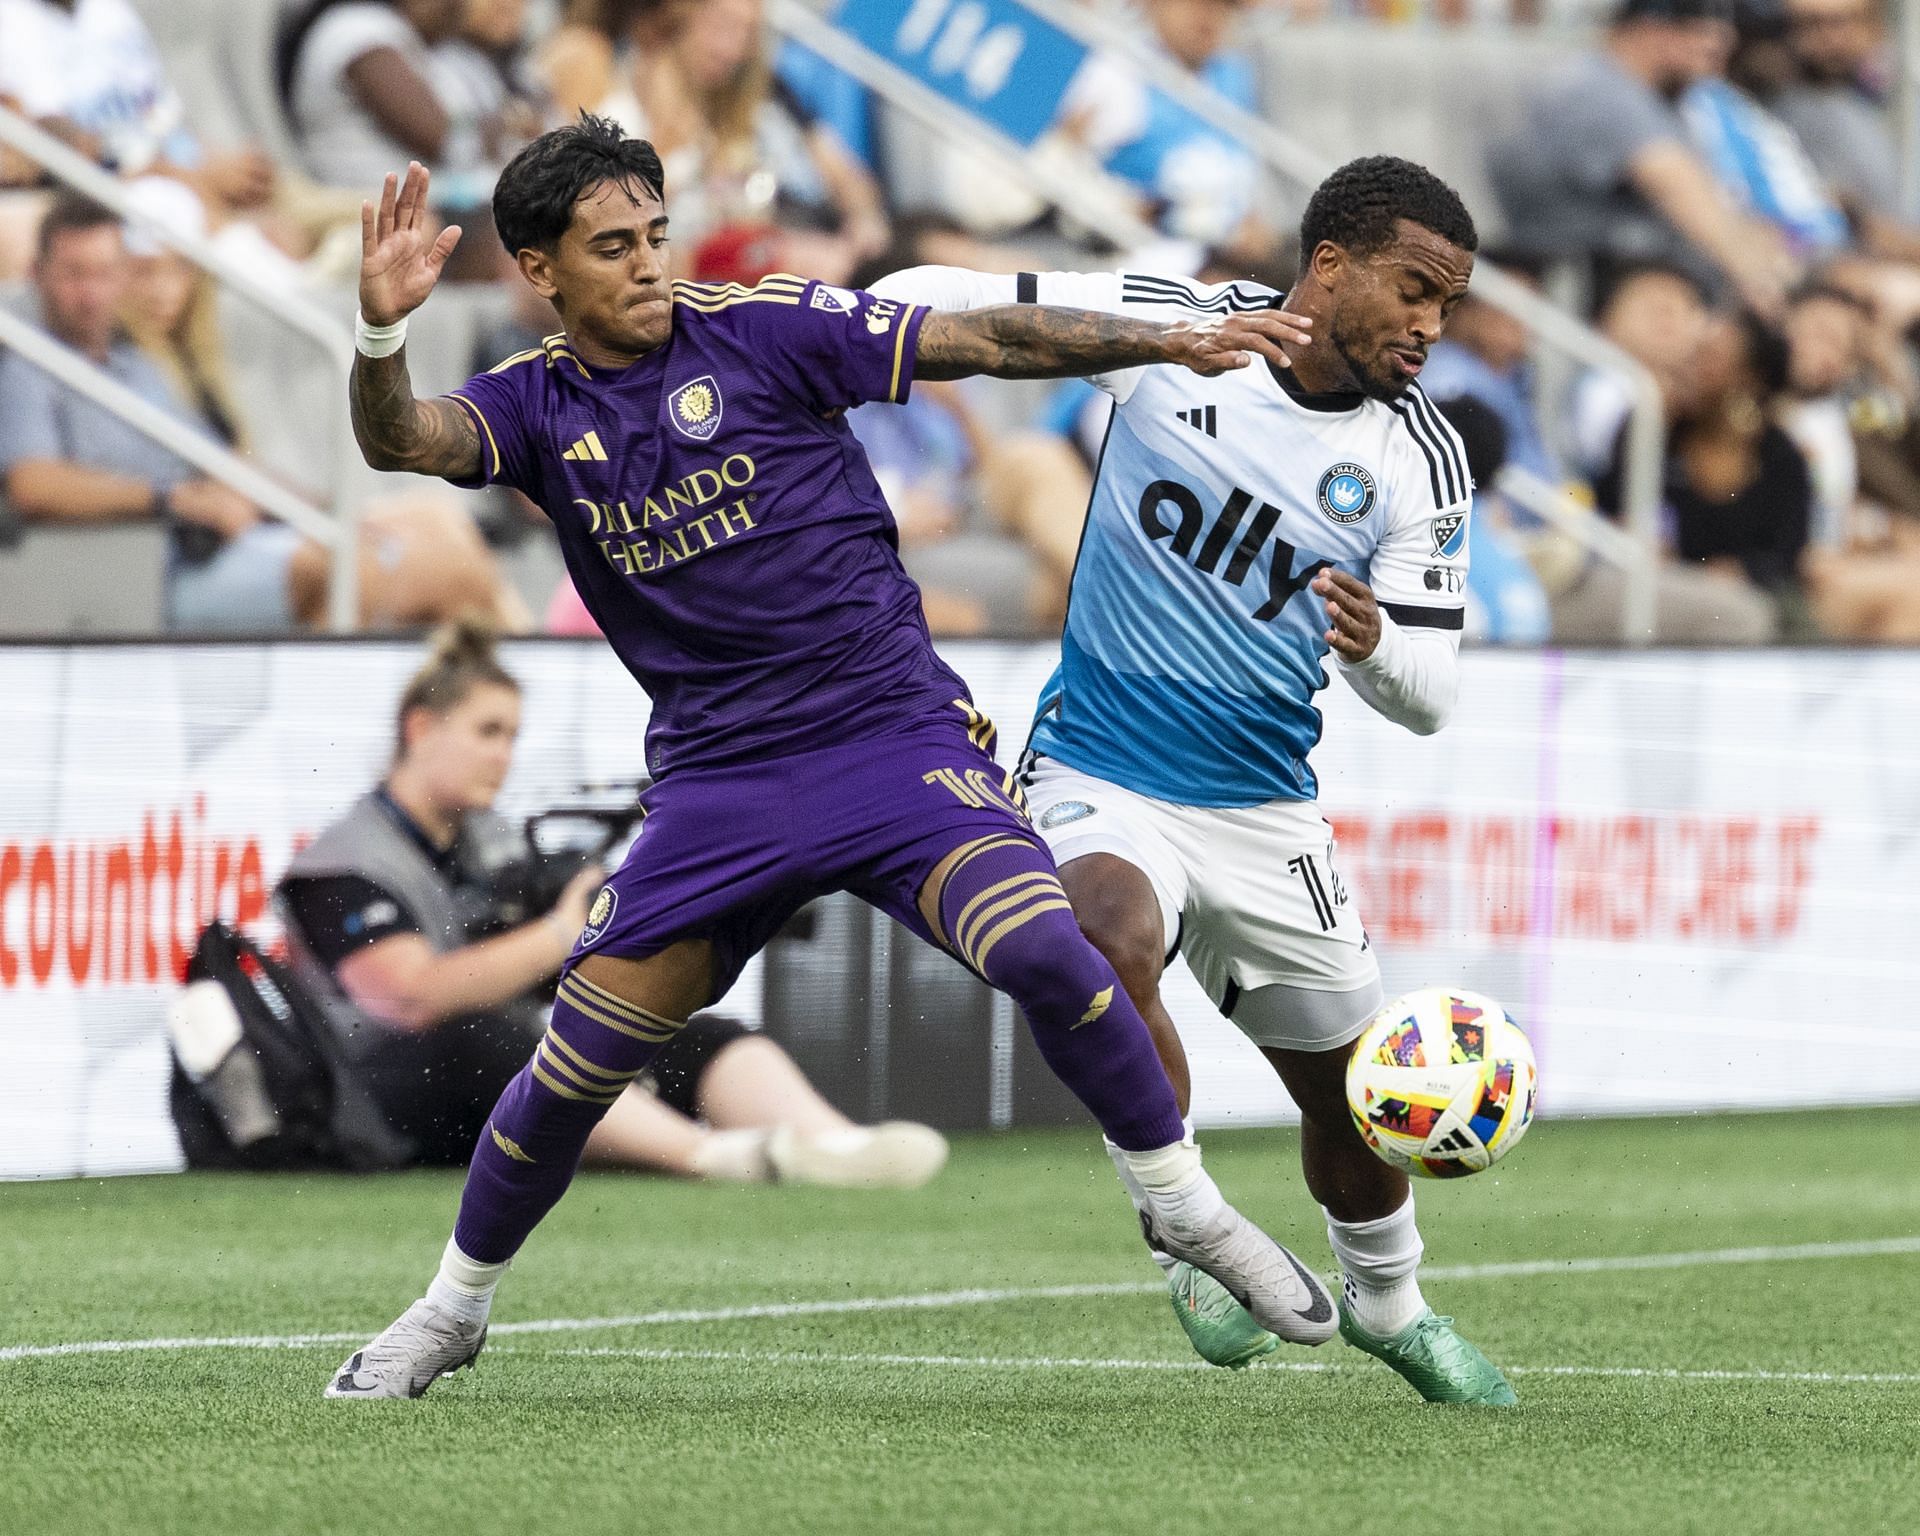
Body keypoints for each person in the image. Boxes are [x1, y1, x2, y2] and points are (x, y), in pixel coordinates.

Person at [323, 117, 1336, 1400]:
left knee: (1043, 948)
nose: (647, 266)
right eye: (611, 248)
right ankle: (450, 1310)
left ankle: (1182, 1207)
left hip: (888, 739)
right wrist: (378, 331)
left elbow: (988, 337)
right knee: (571, 1069)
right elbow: (399, 441)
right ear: (539, 272)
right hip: (719, 788)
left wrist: (1167, 334)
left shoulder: (763, 328)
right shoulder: (533, 405)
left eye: (655, 236)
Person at [872, 157, 1518, 1405]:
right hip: (1098, 765)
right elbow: (919, 289)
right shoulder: (1179, 325)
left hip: (1265, 810)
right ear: (1329, 266)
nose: (1433, 327)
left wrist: (1378, 647)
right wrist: (1133, 335)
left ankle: (1391, 1304)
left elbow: (1430, 698)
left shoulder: (1418, 456)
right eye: (1416, 290)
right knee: (1101, 938)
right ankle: (1193, 1233)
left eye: (1451, 303)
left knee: (1354, 1107)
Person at [279, 619, 949, 1184]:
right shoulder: (343, 861)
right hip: (378, 1096)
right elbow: (407, 1001)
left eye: (512, 736)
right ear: (421, 729)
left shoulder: (488, 838)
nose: (504, 756)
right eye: (488, 732)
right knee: (484, 1038)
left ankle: (836, 1147)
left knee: (674, 1027)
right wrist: (562, 931)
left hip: (496, 1071)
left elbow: (540, 968)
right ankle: (712, 1156)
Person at [0, 191, 524, 633]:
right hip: (152, 565)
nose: (90, 294)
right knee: (421, 575)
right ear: (36, 274)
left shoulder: (139, 366)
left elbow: (222, 463)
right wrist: (169, 499)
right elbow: (32, 482)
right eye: (73, 274)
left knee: (438, 525)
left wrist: (326, 510)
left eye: (103, 273)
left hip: (224, 541)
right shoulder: (30, 367)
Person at [1488, 0, 1800, 318]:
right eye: (1701, 29)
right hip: (1587, 296)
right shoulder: (1594, 89)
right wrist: (1776, 292)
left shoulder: (1660, 97)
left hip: (1641, 285)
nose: (1720, 44)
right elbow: (1690, 201)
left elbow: (1727, 211)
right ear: (1651, 28)